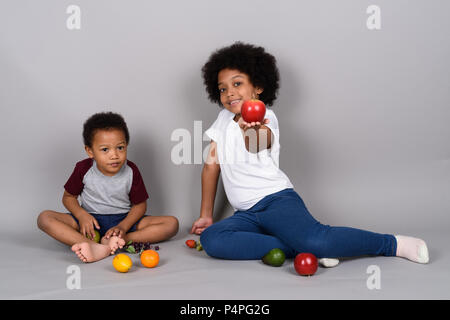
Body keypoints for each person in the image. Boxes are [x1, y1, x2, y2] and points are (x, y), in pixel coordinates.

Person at [190, 42, 429, 266]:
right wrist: (206, 215)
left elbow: (258, 143)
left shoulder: (265, 116)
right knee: (213, 239)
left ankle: (392, 244)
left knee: (316, 239)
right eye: (223, 88)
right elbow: (212, 166)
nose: (229, 92)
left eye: (237, 83)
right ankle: (297, 246)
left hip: (276, 202)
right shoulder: (222, 120)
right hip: (246, 214)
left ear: (258, 87)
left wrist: (250, 129)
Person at [38, 112, 179, 263]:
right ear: (90, 151)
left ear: (126, 145)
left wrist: (123, 227)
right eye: (105, 149)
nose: (114, 155)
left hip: (123, 220)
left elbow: (140, 205)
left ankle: (118, 241)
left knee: (172, 224)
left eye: (120, 147)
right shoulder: (83, 169)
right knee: (44, 218)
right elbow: (68, 197)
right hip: (89, 222)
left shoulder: (131, 170)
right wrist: (81, 215)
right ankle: (91, 245)